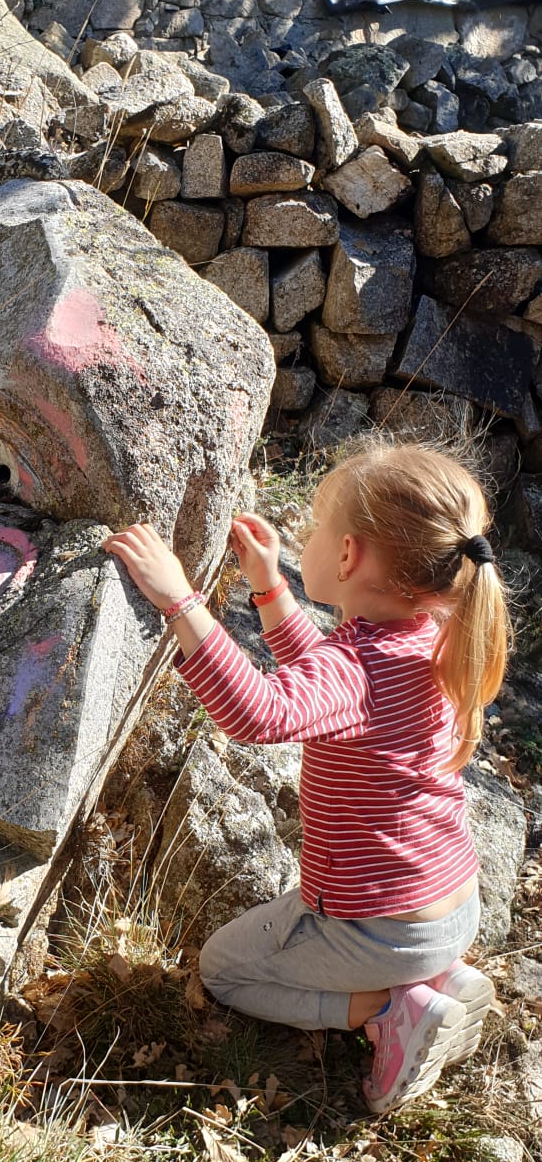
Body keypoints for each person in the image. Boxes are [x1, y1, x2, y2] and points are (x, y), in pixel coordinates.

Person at [104, 441, 510, 1113]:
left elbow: (260, 712)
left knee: (223, 970)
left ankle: (390, 1009)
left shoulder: (360, 667)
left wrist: (179, 599)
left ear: (348, 556)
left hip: (379, 930)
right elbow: (328, 688)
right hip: (451, 907)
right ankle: (436, 975)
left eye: (319, 529)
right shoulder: (433, 640)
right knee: (346, 948)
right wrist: (270, 590)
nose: (310, 539)